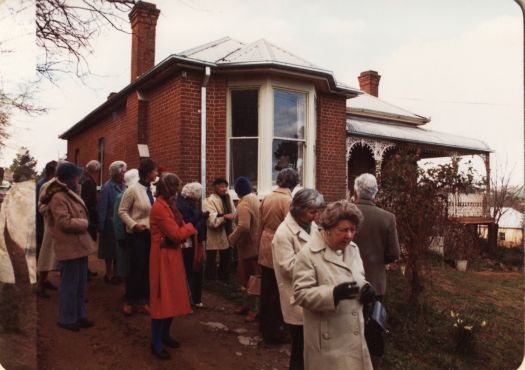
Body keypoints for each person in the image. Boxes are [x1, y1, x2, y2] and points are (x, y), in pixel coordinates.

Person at [293, 200, 375, 370]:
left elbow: (358, 277)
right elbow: (301, 294)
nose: (349, 236)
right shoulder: (308, 255)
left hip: (354, 337)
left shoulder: (352, 249)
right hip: (328, 345)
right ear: (327, 229)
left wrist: (366, 288)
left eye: (353, 230)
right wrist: (332, 295)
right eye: (343, 230)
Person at [272, 188, 325, 370]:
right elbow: (288, 268)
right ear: (298, 209)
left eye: (318, 211)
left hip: (314, 294)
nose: (316, 215)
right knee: (300, 348)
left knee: (312, 349)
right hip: (297, 298)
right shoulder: (283, 234)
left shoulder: (311, 227)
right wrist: (318, 261)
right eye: (312, 211)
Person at [41, 162, 97, 331]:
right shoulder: (58, 197)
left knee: (79, 284)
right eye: (77, 175)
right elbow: (63, 222)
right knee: (69, 285)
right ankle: (66, 318)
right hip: (69, 245)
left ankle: (79, 315)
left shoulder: (68, 192)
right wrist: (84, 223)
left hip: (77, 245)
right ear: (70, 178)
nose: (79, 178)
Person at [352, 173, 400, 368]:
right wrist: (379, 261)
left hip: (346, 280)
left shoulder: (345, 213)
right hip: (375, 282)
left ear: (356, 190)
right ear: (375, 192)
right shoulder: (387, 217)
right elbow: (393, 253)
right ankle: (374, 363)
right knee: (374, 326)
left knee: (349, 325)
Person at [149, 173, 197, 360]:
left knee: (172, 296)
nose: (178, 192)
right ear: (170, 190)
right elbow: (177, 234)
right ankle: (156, 342)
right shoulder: (160, 208)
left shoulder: (170, 205)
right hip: (162, 258)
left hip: (171, 255)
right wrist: (191, 227)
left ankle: (164, 335)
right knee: (161, 297)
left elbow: (179, 227)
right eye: (175, 189)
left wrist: (185, 228)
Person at [259, 167, 299, 344]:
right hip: (279, 246)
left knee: (266, 289)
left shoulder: (268, 197)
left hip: (265, 243)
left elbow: (261, 221)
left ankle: (263, 326)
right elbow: (290, 227)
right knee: (278, 291)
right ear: (293, 183)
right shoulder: (288, 201)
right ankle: (274, 332)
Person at [118, 158, 158, 315]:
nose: (156, 174)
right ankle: (129, 301)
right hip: (136, 236)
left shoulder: (153, 190)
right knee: (135, 269)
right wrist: (134, 225)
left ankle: (144, 301)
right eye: (155, 171)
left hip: (151, 235)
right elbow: (122, 211)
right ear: (148, 173)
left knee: (147, 269)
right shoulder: (132, 190)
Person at [228, 177, 260, 322]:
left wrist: (232, 239)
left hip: (248, 247)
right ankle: (248, 306)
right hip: (257, 245)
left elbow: (244, 226)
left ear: (238, 192)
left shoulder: (243, 204)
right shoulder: (256, 199)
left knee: (249, 279)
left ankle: (253, 310)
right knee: (255, 277)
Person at [176, 182, 209, 308]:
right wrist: (202, 218)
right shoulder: (185, 206)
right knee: (192, 269)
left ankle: (191, 299)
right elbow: (191, 225)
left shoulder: (183, 203)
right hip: (190, 242)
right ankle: (190, 299)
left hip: (191, 241)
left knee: (191, 269)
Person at [97, 161, 127, 284]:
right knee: (109, 251)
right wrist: (101, 225)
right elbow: (103, 207)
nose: (124, 173)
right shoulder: (107, 187)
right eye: (123, 171)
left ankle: (117, 273)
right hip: (109, 224)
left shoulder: (125, 185)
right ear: (117, 173)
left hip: (121, 223)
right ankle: (108, 274)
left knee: (118, 250)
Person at [203, 177, 235, 282]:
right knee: (212, 258)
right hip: (215, 234)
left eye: (225, 186)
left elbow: (233, 212)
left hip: (228, 231)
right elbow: (211, 220)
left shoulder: (228, 198)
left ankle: (224, 279)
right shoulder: (209, 200)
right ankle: (210, 281)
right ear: (215, 187)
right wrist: (224, 217)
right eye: (221, 186)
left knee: (227, 256)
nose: (224, 189)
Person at [113, 169, 139, 293]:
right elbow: (118, 218)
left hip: (132, 235)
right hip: (125, 236)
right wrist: (121, 237)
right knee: (126, 266)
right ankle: (127, 293)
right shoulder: (122, 196)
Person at [36, 160, 58, 297]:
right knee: (45, 254)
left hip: (53, 225)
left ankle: (44, 281)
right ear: (53, 172)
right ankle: (40, 285)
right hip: (46, 225)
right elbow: (40, 207)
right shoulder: (44, 185)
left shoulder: (56, 184)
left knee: (50, 255)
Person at [80, 160, 100, 279]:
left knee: (85, 245)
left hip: (86, 217)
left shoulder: (85, 180)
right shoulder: (88, 182)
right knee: (85, 245)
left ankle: (85, 269)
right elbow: (87, 202)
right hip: (87, 218)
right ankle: (84, 271)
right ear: (96, 171)